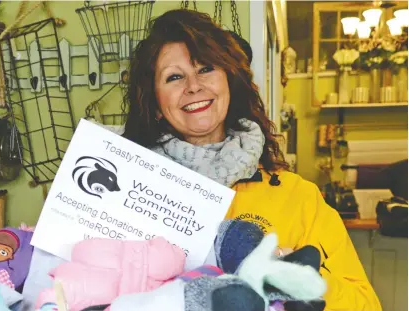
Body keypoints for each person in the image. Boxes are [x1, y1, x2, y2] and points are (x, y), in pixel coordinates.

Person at [121, 8, 381, 311]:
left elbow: (366, 304)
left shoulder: (298, 197)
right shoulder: (128, 188)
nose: (193, 86)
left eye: (205, 69)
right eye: (174, 77)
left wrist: (295, 278)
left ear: (230, 83)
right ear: (154, 104)